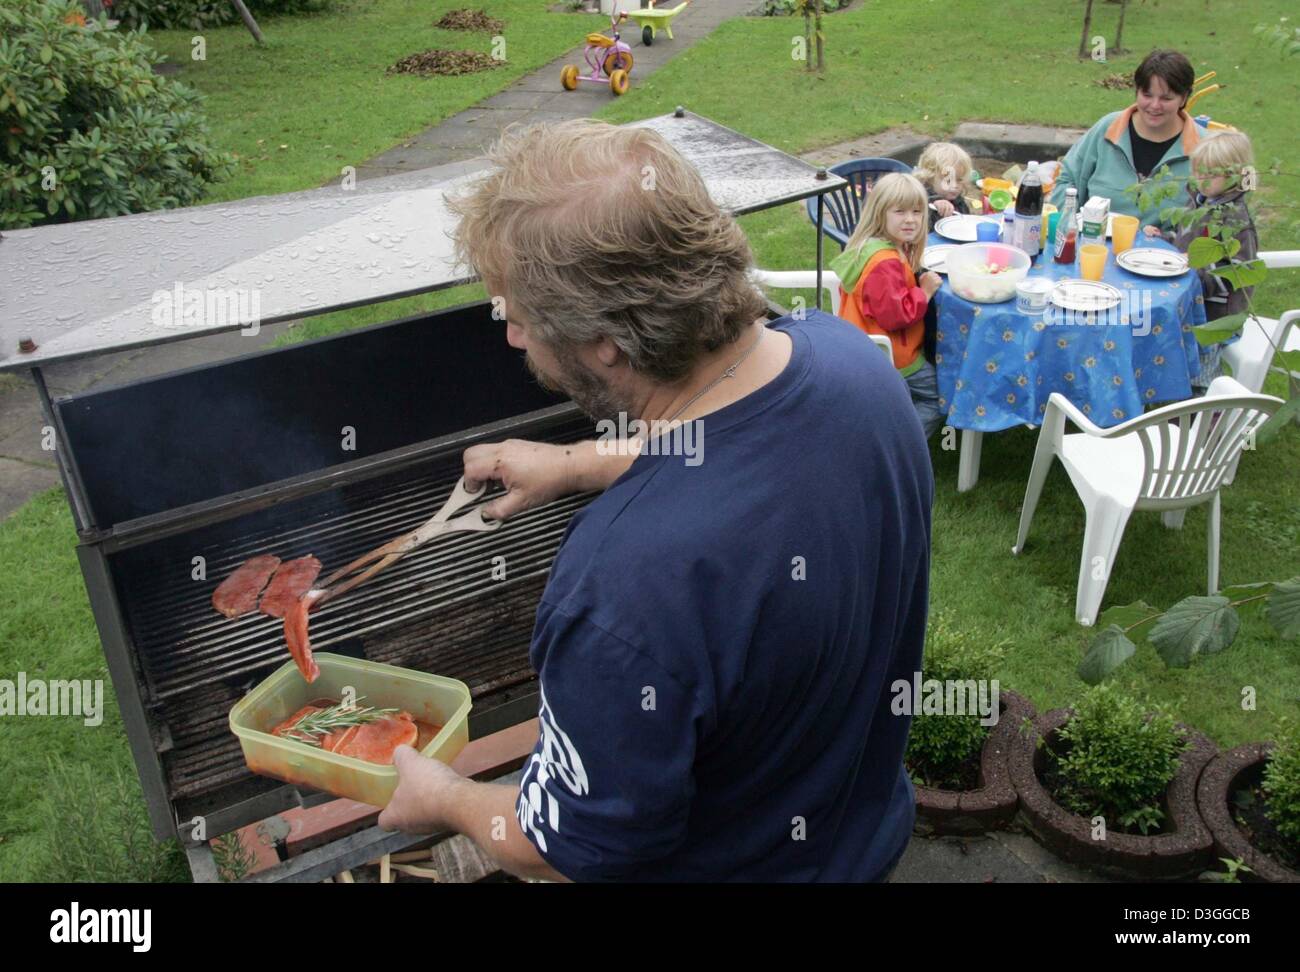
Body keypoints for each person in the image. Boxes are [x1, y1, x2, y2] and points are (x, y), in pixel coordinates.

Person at [375, 119, 934, 882]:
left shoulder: (624, 593)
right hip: (861, 844)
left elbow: (562, 850)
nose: (510, 336)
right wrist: (575, 462)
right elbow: (742, 445)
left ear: (605, 341)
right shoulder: (854, 368)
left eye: (514, 313)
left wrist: (443, 793)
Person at [829, 172, 945, 438]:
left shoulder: (871, 246)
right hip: (892, 355)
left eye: (917, 211)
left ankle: (888, 420)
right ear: (880, 213)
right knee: (938, 399)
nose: (910, 219)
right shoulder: (885, 263)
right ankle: (900, 444)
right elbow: (896, 316)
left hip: (864, 345)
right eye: (900, 211)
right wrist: (924, 292)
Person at [1144, 130, 1259, 393]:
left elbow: (1237, 273)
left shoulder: (1235, 220)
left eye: (1211, 175)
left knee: (1199, 366)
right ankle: (1167, 394)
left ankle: (1206, 406)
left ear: (1236, 175)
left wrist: (1194, 273)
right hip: (1188, 301)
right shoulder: (1200, 201)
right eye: (1198, 172)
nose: (1202, 180)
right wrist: (1164, 239)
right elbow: (1187, 241)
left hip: (1216, 317)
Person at [1049, 49, 1210, 230]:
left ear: (1184, 98)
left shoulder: (1205, 149)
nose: (1154, 106)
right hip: (1093, 246)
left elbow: (1217, 214)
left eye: (1166, 98)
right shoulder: (1108, 128)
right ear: (1136, 91)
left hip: (1165, 255)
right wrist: (1068, 230)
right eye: (1147, 95)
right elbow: (1067, 180)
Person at [914, 141, 974, 220]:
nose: (955, 185)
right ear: (929, 178)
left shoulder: (958, 200)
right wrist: (932, 206)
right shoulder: (918, 197)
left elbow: (965, 219)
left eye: (959, 180)